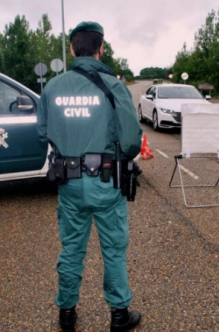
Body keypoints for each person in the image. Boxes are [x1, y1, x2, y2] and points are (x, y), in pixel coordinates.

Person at [37, 21, 142, 332]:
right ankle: (119, 317)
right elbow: (133, 140)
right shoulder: (114, 85)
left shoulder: (52, 87)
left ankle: (66, 315)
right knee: (113, 248)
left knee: (71, 249)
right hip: (106, 182)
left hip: (68, 183)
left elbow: (43, 133)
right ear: (101, 48)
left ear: (72, 49)